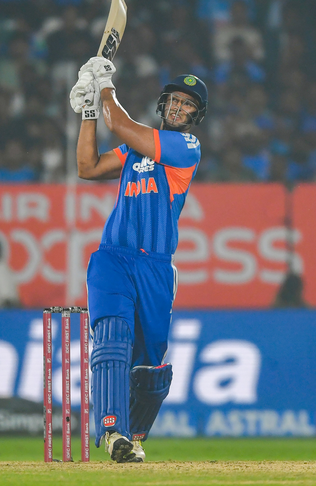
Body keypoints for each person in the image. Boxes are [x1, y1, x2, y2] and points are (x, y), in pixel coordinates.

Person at [69, 57, 207, 463]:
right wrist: (89, 113)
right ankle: (114, 432)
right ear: (164, 103)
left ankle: (135, 436)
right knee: (112, 339)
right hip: (113, 258)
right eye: (175, 100)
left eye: (188, 105)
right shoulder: (134, 149)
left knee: (149, 367)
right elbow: (87, 167)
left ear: (196, 116)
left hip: (155, 267)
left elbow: (120, 123)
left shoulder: (186, 148)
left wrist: (104, 86)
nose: (179, 108)